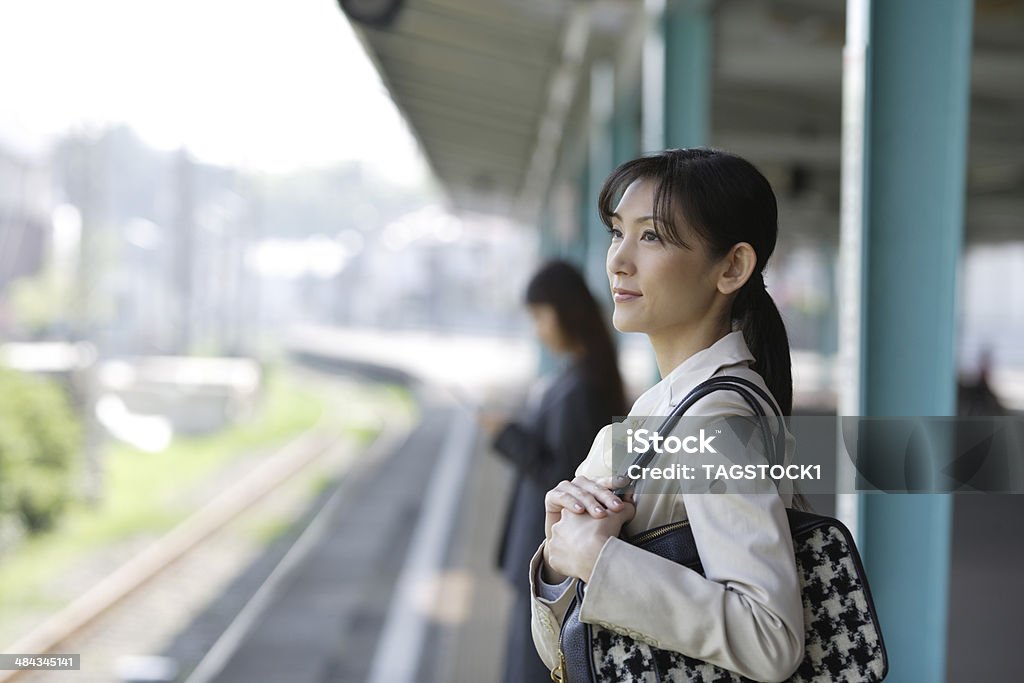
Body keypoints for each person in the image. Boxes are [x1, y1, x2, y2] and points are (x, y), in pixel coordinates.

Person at [530, 149, 806, 682]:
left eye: (651, 236)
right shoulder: (667, 410)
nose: (617, 260)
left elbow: (771, 638)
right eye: (617, 232)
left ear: (732, 267)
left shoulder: (715, 424)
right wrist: (561, 551)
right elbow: (566, 654)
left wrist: (598, 562)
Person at [490, 259, 627, 683]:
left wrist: (508, 435)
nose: (538, 328)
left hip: (549, 561)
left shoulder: (581, 386)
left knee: (532, 667)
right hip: (549, 559)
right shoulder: (585, 375)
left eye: (540, 316)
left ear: (563, 312)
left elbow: (565, 478)